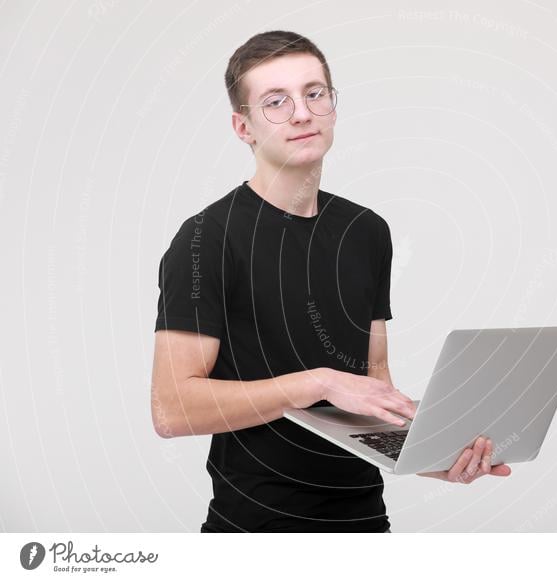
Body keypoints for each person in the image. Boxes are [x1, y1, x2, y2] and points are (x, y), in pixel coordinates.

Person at [150, 30, 511, 533]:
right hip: (254, 530)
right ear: (243, 126)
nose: (302, 113)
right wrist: (317, 382)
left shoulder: (365, 231)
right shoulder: (205, 238)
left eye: (314, 93)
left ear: (333, 107)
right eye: (276, 102)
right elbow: (172, 409)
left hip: (364, 523)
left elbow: (373, 388)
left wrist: (437, 456)